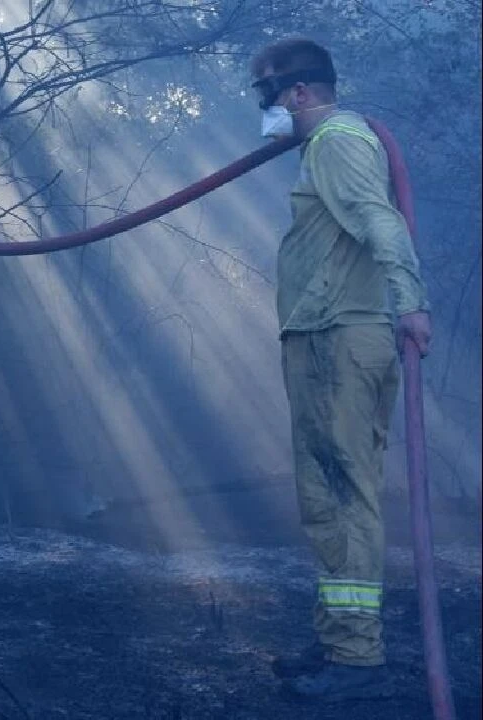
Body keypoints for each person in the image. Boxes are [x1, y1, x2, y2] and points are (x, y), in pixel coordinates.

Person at [250, 39, 433, 702]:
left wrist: (411, 304)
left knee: (342, 500)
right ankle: (340, 639)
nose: (262, 106)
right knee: (325, 501)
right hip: (322, 340)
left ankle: (356, 660)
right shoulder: (325, 145)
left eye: (264, 92)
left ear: (299, 92)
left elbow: (378, 221)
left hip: (337, 341)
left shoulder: (336, 140)